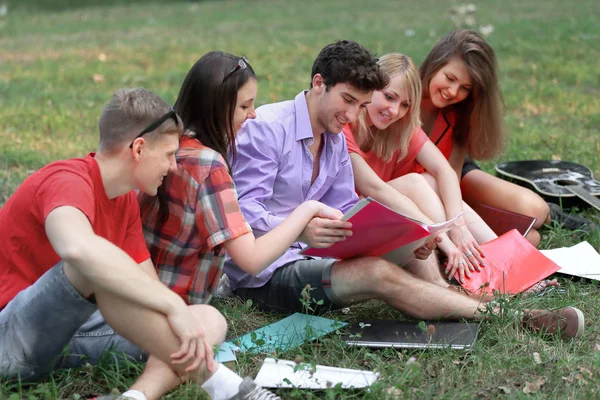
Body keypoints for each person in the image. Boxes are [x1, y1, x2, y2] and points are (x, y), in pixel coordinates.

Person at [223, 40, 584, 341]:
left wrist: (405, 234)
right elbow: (245, 213)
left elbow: (347, 207)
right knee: (377, 273)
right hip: (268, 274)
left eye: (361, 105)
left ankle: (464, 292)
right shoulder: (267, 129)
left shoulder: (333, 137)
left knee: (410, 244)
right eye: (348, 100)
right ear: (319, 83)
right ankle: (511, 317)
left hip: (316, 254)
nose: (352, 115)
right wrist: (301, 227)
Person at [132, 51, 343, 400]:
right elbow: (252, 259)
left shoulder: (170, 144)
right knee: (214, 322)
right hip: (167, 311)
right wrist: (305, 213)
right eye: (245, 106)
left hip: (140, 291)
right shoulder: (208, 165)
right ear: (217, 106)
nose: (254, 114)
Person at [0, 88, 232, 399]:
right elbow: (77, 249)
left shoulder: (124, 202)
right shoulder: (65, 180)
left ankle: (136, 397)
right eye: (167, 155)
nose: (173, 167)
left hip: (77, 336)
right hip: (13, 339)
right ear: (138, 149)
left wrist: (179, 314)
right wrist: (172, 304)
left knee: (207, 319)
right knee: (92, 266)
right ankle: (224, 385)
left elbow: (147, 287)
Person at [417, 29, 594, 247]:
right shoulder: (401, 99)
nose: (453, 92)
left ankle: (552, 214)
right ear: (435, 64)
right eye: (450, 78)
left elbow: (451, 176)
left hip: (452, 177)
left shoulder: (459, 111)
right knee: (530, 239)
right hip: (421, 184)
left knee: (536, 210)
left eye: (465, 88)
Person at [343, 52, 497, 282]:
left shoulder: (401, 126)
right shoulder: (345, 126)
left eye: (405, 104)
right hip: (347, 228)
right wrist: (444, 240)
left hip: (390, 221)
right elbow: (374, 189)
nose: (394, 111)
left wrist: (458, 226)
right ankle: (479, 275)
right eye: (389, 97)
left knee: (431, 180)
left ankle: (508, 260)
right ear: (370, 88)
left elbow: (444, 170)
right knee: (416, 182)